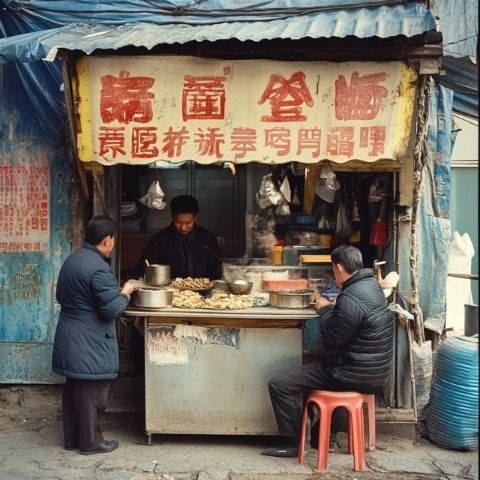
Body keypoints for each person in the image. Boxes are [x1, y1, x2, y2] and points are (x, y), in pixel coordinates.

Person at [262, 244, 394, 458]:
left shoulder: (351, 297)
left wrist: (324, 309)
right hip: (375, 373)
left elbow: (333, 339)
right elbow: (349, 324)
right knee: (310, 368)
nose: (333, 274)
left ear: (340, 268)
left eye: (333, 269)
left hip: (351, 373)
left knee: (280, 384)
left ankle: (294, 444)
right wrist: (335, 309)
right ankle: (323, 436)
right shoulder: (372, 287)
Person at [52, 215, 136, 455]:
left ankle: (72, 440)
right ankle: (91, 442)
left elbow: (64, 296)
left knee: (75, 388)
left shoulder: (73, 258)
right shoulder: (99, 267)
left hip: (70, 333)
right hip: (90, 339)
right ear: (108, 239)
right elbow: (112, 309)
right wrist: (126, 292)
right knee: (92, 390)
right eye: (114, 239)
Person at [131, 194, 223, 280]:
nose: (183, 227)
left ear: (195, 218)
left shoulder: (207, 238)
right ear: (172, 217)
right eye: (178, 222)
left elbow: (218, 269)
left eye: (188, 223)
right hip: (169, 292)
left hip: (204, 292)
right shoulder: (159, 241)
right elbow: (142, 269)